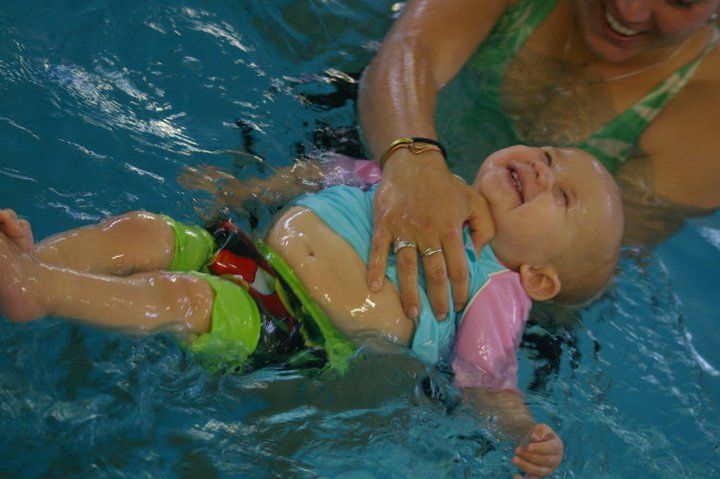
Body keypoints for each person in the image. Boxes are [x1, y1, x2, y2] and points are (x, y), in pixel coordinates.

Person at [0, 145, 623, 478]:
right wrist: (250, 191)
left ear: (538, 277)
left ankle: (38, 291)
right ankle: (34, 257)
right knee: (140, 231)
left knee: (182, 297)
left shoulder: (493, 289)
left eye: (561, 194)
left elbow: (487, 383)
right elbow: (327, 171)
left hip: (302, 331)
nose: (541, 167)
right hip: (254, 254)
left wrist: (524, 436)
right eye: (547, 152)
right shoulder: (424, 179)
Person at [358, 0, 720, 321]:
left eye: (679, 1)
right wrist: (414, 162)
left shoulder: (708, 116)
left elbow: (580, 274)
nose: (630, 9)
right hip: (379, 166)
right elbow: (409, 49)